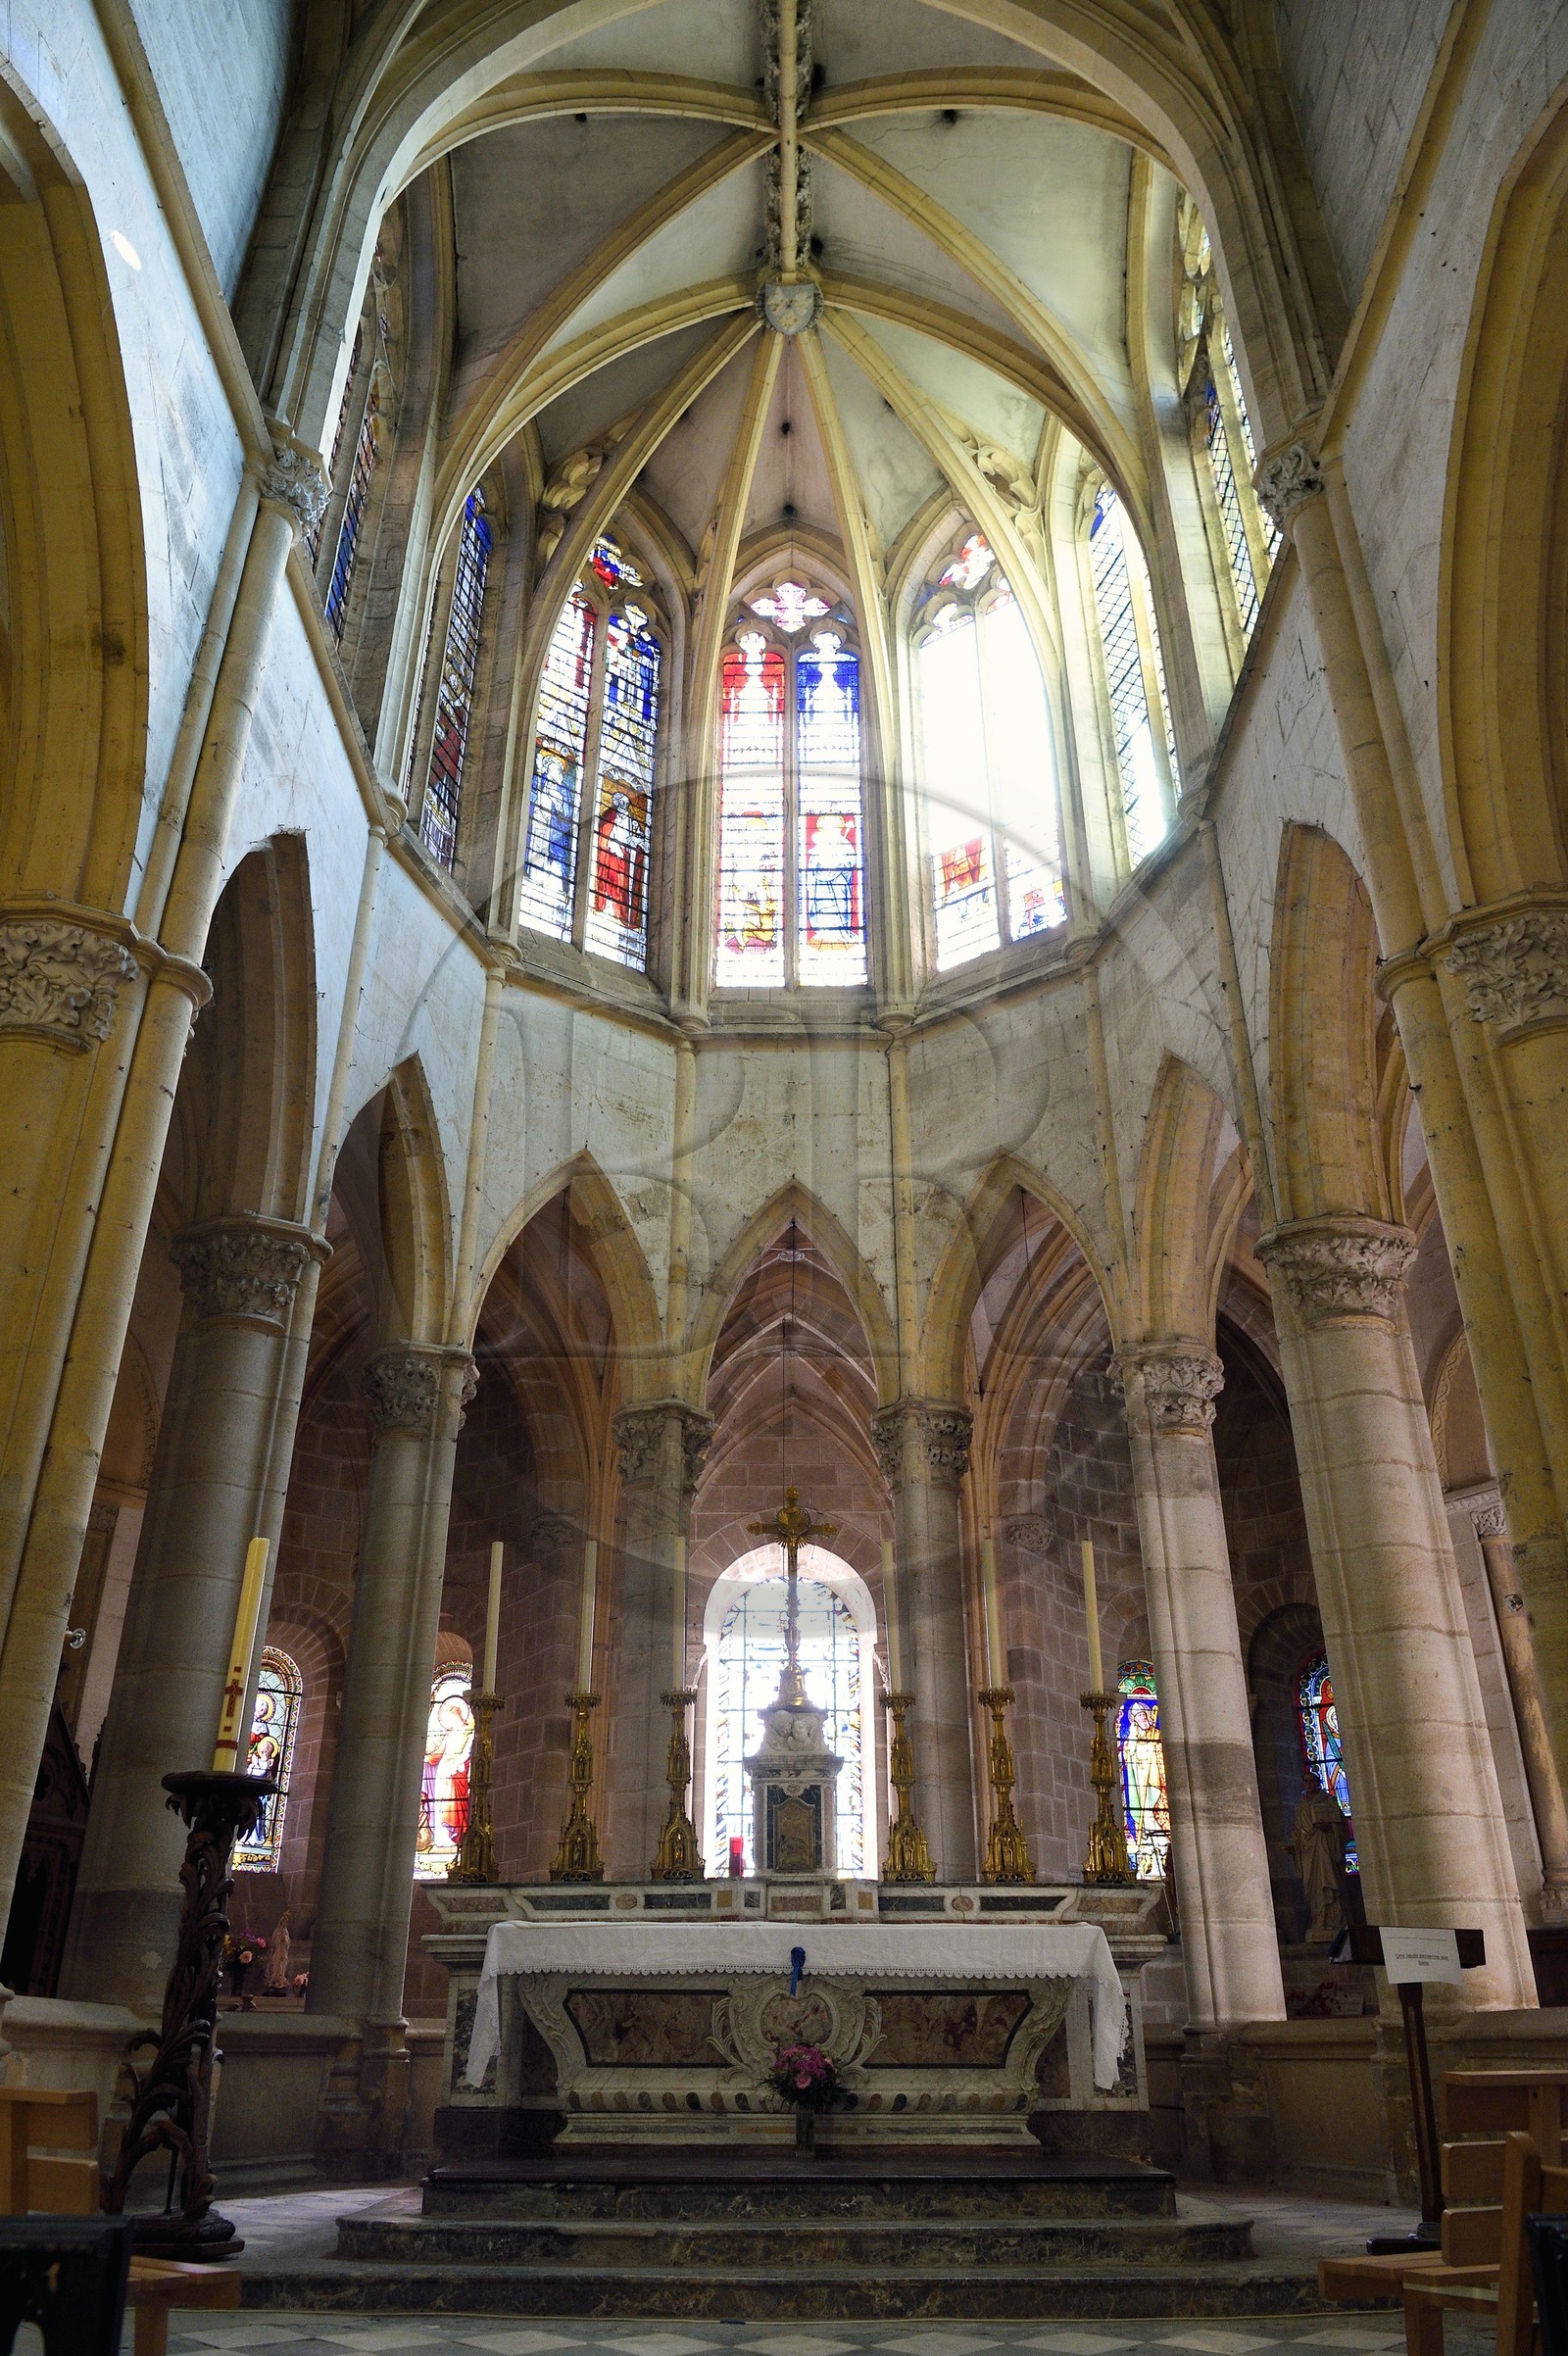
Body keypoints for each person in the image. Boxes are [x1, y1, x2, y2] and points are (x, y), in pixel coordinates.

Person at [1291, 1778, 1349, 1943]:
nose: (1308, 1785)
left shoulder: (1329, 1800)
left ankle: (1334, 1921)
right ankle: (1318, 1921)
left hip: (1326, 1847)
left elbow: (1342, 1826)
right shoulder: (1301, 1805)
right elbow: (1297, 1831)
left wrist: (1330, 1828)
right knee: (1313, 1887)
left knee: (1330, 1882)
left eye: (1311, 1782)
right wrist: (1294, 1847)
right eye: (1305, 1782)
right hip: (1308, 1852)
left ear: (1318, 1783)